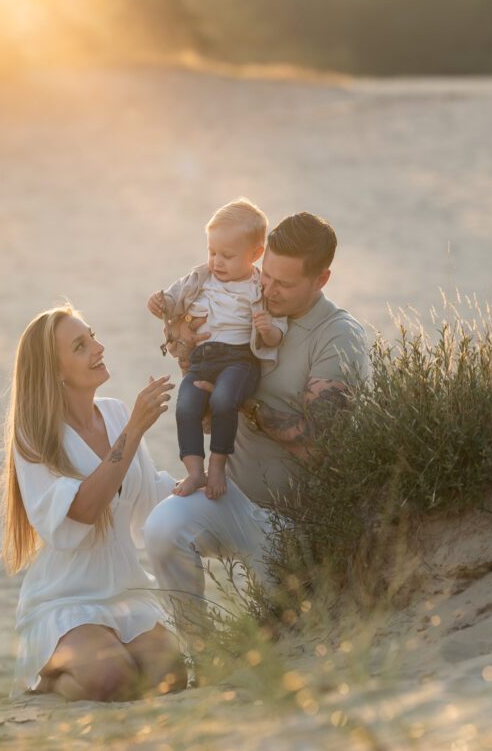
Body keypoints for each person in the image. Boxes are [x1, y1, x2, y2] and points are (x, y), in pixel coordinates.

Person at [142, 212, 368, 601]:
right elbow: (213, 420)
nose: (269, 288)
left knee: (278, 634)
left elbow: (323, 449)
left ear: (321, 280)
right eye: (266, 275)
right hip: (230, 497)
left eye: (284, 283)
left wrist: (246, 406)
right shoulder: (247, 307)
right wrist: (190, 357)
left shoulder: (337, 336)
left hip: (295, 522)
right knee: (162, 527)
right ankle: (195, 653)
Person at [0, 303, 187, 702]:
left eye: (92, 336)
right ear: (55, 371)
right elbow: (82, 510)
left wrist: (205, 481)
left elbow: (149, 498)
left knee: (169, 677)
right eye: (81, 346)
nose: (98, 347)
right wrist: (134, 430)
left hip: (124, 590)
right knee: (110, 680)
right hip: (66, 599)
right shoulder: (35, 437)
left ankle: (92, 665)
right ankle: (51, 682)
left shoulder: (116, 413)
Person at [147, 198, 286, 500]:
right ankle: (195, 470)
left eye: (227, 255)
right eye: (211, 252)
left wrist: (267, 329)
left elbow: (276, 338)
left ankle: (218, 465)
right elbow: (172, 301)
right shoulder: (200, 278)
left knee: (224, 400)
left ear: (255, 254)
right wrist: (160, 304)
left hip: (239, 361)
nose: (217, 261)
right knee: (185, 404)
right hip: (203, 359)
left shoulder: (258, 287)